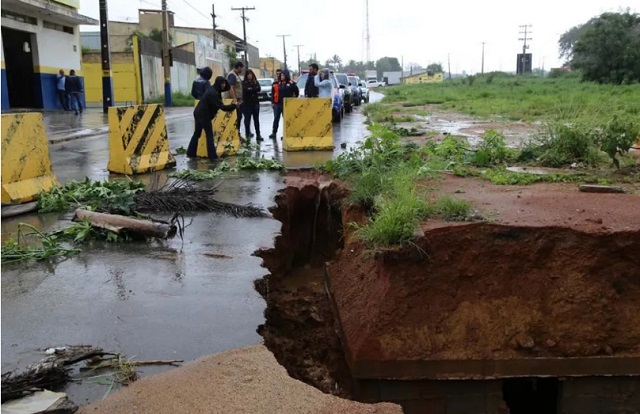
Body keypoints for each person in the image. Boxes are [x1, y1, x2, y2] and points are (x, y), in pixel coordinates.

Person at [187, 76, 238, 161]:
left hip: (198, 112)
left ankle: (191, 153)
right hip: (203, 114)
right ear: (218, 83)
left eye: (224, 83)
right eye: (222, 83)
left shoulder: (214, 89)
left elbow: (226, 89)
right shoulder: (213, 93)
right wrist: (235, 106)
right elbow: (223, 107)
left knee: (197, 133)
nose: (224, 85)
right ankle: (212, 157)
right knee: (209, 135)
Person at [269, 69, 299, 139]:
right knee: (276, 118)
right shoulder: (278, 83)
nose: (281, 76)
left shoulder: (291, 83)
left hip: (286, 104)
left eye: (282, 75)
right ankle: (274, 132)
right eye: (281, 75)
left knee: (286, 119)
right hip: (278, 104)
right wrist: (273, 102)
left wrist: (293, 99)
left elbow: (296, 92)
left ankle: (286, 133)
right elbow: (274, 93)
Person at [241, 69, 262, 142]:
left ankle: (258, 135)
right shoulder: (244, 83)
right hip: (247, 104)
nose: (250, 76)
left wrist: (252, 89)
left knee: (256, 120)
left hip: (255, 103)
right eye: (248, 74)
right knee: (247, 120)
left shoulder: (255, 82)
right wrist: (253, 89)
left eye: (251, 74)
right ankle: (247, 135)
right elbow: (246, 90)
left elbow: (258, 89)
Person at [226, 61, 244, 131]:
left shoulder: (236, 75)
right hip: (234, 101)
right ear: (239, 67)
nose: (242, 70)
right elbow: (231, 87)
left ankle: (237, 133)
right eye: (242, 68)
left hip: (238, 100)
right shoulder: (232, 75)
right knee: (236, 117)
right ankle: (235, 133)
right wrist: (235, 100)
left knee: (239, 117)